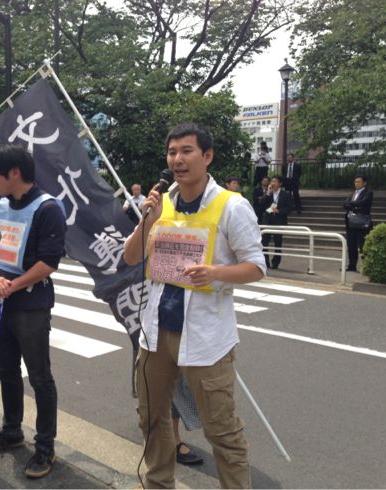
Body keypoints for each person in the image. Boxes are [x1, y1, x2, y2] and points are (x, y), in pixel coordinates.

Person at [123, 123, 265, 489]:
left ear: (207, 156)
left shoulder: (232, 206)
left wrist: (215, 273)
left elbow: (256, 266)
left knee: (221, 429)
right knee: (151, 417)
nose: (177, 159)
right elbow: (131, 257)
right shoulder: (161, 202)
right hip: (156, 332)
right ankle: (158, 483)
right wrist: (147, 221)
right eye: (172, 152)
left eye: (187, 151)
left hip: (207, 337)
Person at [0, 143, 66, 480]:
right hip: (1, 302)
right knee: (6, 370)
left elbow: (49, 262)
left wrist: (10, 285)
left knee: (40, 377)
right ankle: (12, 430)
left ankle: (45, 446)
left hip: (31, 304)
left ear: (14, 173)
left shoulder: (48, 208)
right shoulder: (1, 204)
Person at [260, 175, 293, 270]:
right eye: (272, 181)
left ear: (280, 184)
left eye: (275, 181)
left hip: (279, 221)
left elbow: (290, 207)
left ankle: (275, 263)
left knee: (278, 243)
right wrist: (267, 193)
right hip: (268, 221)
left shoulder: (286, 194)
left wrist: (280, 211)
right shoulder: (268, 193)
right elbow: (261, 204)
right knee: (264, 242)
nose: (273, 183)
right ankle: (265, 262)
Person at [343, 175, 373, 272]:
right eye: (355, 182)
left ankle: (367, 267)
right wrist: (353, 205)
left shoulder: (368, 193)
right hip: (351, 222)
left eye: (359, 182)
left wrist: (351, 204)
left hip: (362, 223)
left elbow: (363, 203)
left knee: (363, 245)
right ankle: (352, 266)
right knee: (351, 245)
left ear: (364, 183)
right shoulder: (352, 193)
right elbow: (345, 204)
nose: (356, 184)